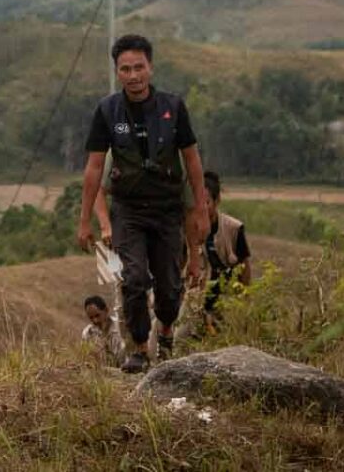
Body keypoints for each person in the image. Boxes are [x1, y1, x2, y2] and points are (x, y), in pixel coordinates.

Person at [77, 34, 208, 373]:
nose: (133, 75)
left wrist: (201, 209)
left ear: (150, 68)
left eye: (139, 67)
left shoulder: (173, 107)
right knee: (133, 279)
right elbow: (93, 168)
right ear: (117, 72)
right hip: (128, 211)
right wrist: (84, 221)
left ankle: (164, 329)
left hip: (167, 210)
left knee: (168, 284)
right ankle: (139, 347)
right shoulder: (107, 111)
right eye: (125, 69)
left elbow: (192, 161)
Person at [200, 171, 252, 329]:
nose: (201, 207)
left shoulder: (233, 228)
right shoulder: (187, 229)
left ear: (217, 201)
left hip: (225, 298)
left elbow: (245, 267)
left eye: (206, 202)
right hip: (196, 302)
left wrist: (244, 300)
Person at [81, 295, 125, 368]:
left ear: (106, 310)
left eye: (97, 315)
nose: (95, 320)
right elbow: (86, 359)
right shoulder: (88, 333)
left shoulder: (120, 328)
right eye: (91, 318)